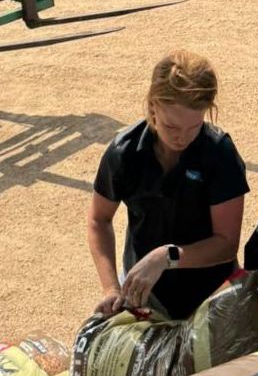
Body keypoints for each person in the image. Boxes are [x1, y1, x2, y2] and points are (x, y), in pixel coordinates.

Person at [88, 49, 249, 319]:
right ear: (152, 105)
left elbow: (226, 244)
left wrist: (167, 257)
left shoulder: (219, 154)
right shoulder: (124, 152)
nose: (182, 139)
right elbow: (98, 220)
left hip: (209, 297)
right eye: (171, 126)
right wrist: (110, 289)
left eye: (194, 127)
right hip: (144, 293)